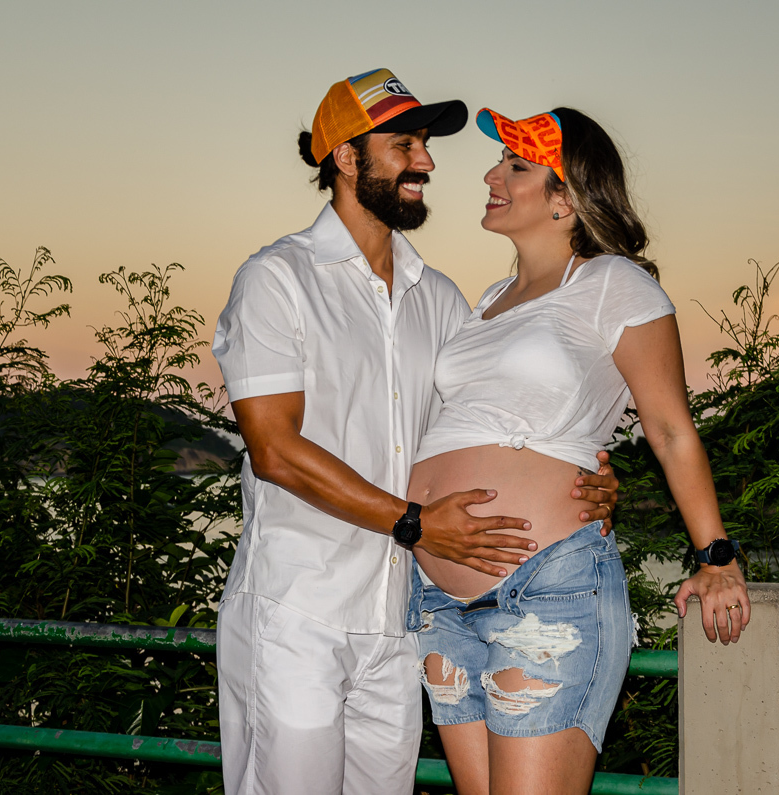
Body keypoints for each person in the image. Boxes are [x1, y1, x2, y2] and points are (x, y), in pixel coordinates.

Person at [210, 70, 620, 795]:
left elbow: (478, 426)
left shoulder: (441, 299)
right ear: (345, 157)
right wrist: (413, 521)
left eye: (425, 144)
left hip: (403, 622)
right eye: (405, 144)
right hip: (296, 614)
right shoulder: (278, 279)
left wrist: (581, 470)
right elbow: (275, 450)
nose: (426, 161)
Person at [405, 107, 751, 795]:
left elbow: (670, 428)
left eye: (516, 166)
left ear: (565, 199)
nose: (490, 174)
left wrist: (715, 555)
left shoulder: (614, 284)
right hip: (439, 598)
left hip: (547, 589)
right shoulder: (486, 301)